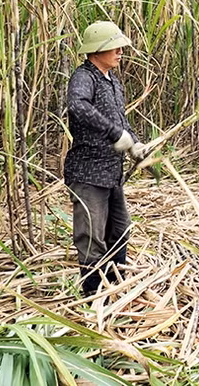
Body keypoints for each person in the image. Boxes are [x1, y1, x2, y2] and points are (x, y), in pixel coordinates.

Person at [64, 21, 148, 296]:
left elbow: (120, 121)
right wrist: (115, 134)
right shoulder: (84, 77)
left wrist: (134, 144)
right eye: (114, 46)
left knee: (120, 230)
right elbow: (77, 105)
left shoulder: (114, 83)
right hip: (88, 173)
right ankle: (92, 299)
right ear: (96, 50)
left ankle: (115, 292)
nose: (120, 51)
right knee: (91, 239)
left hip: (112, 172)